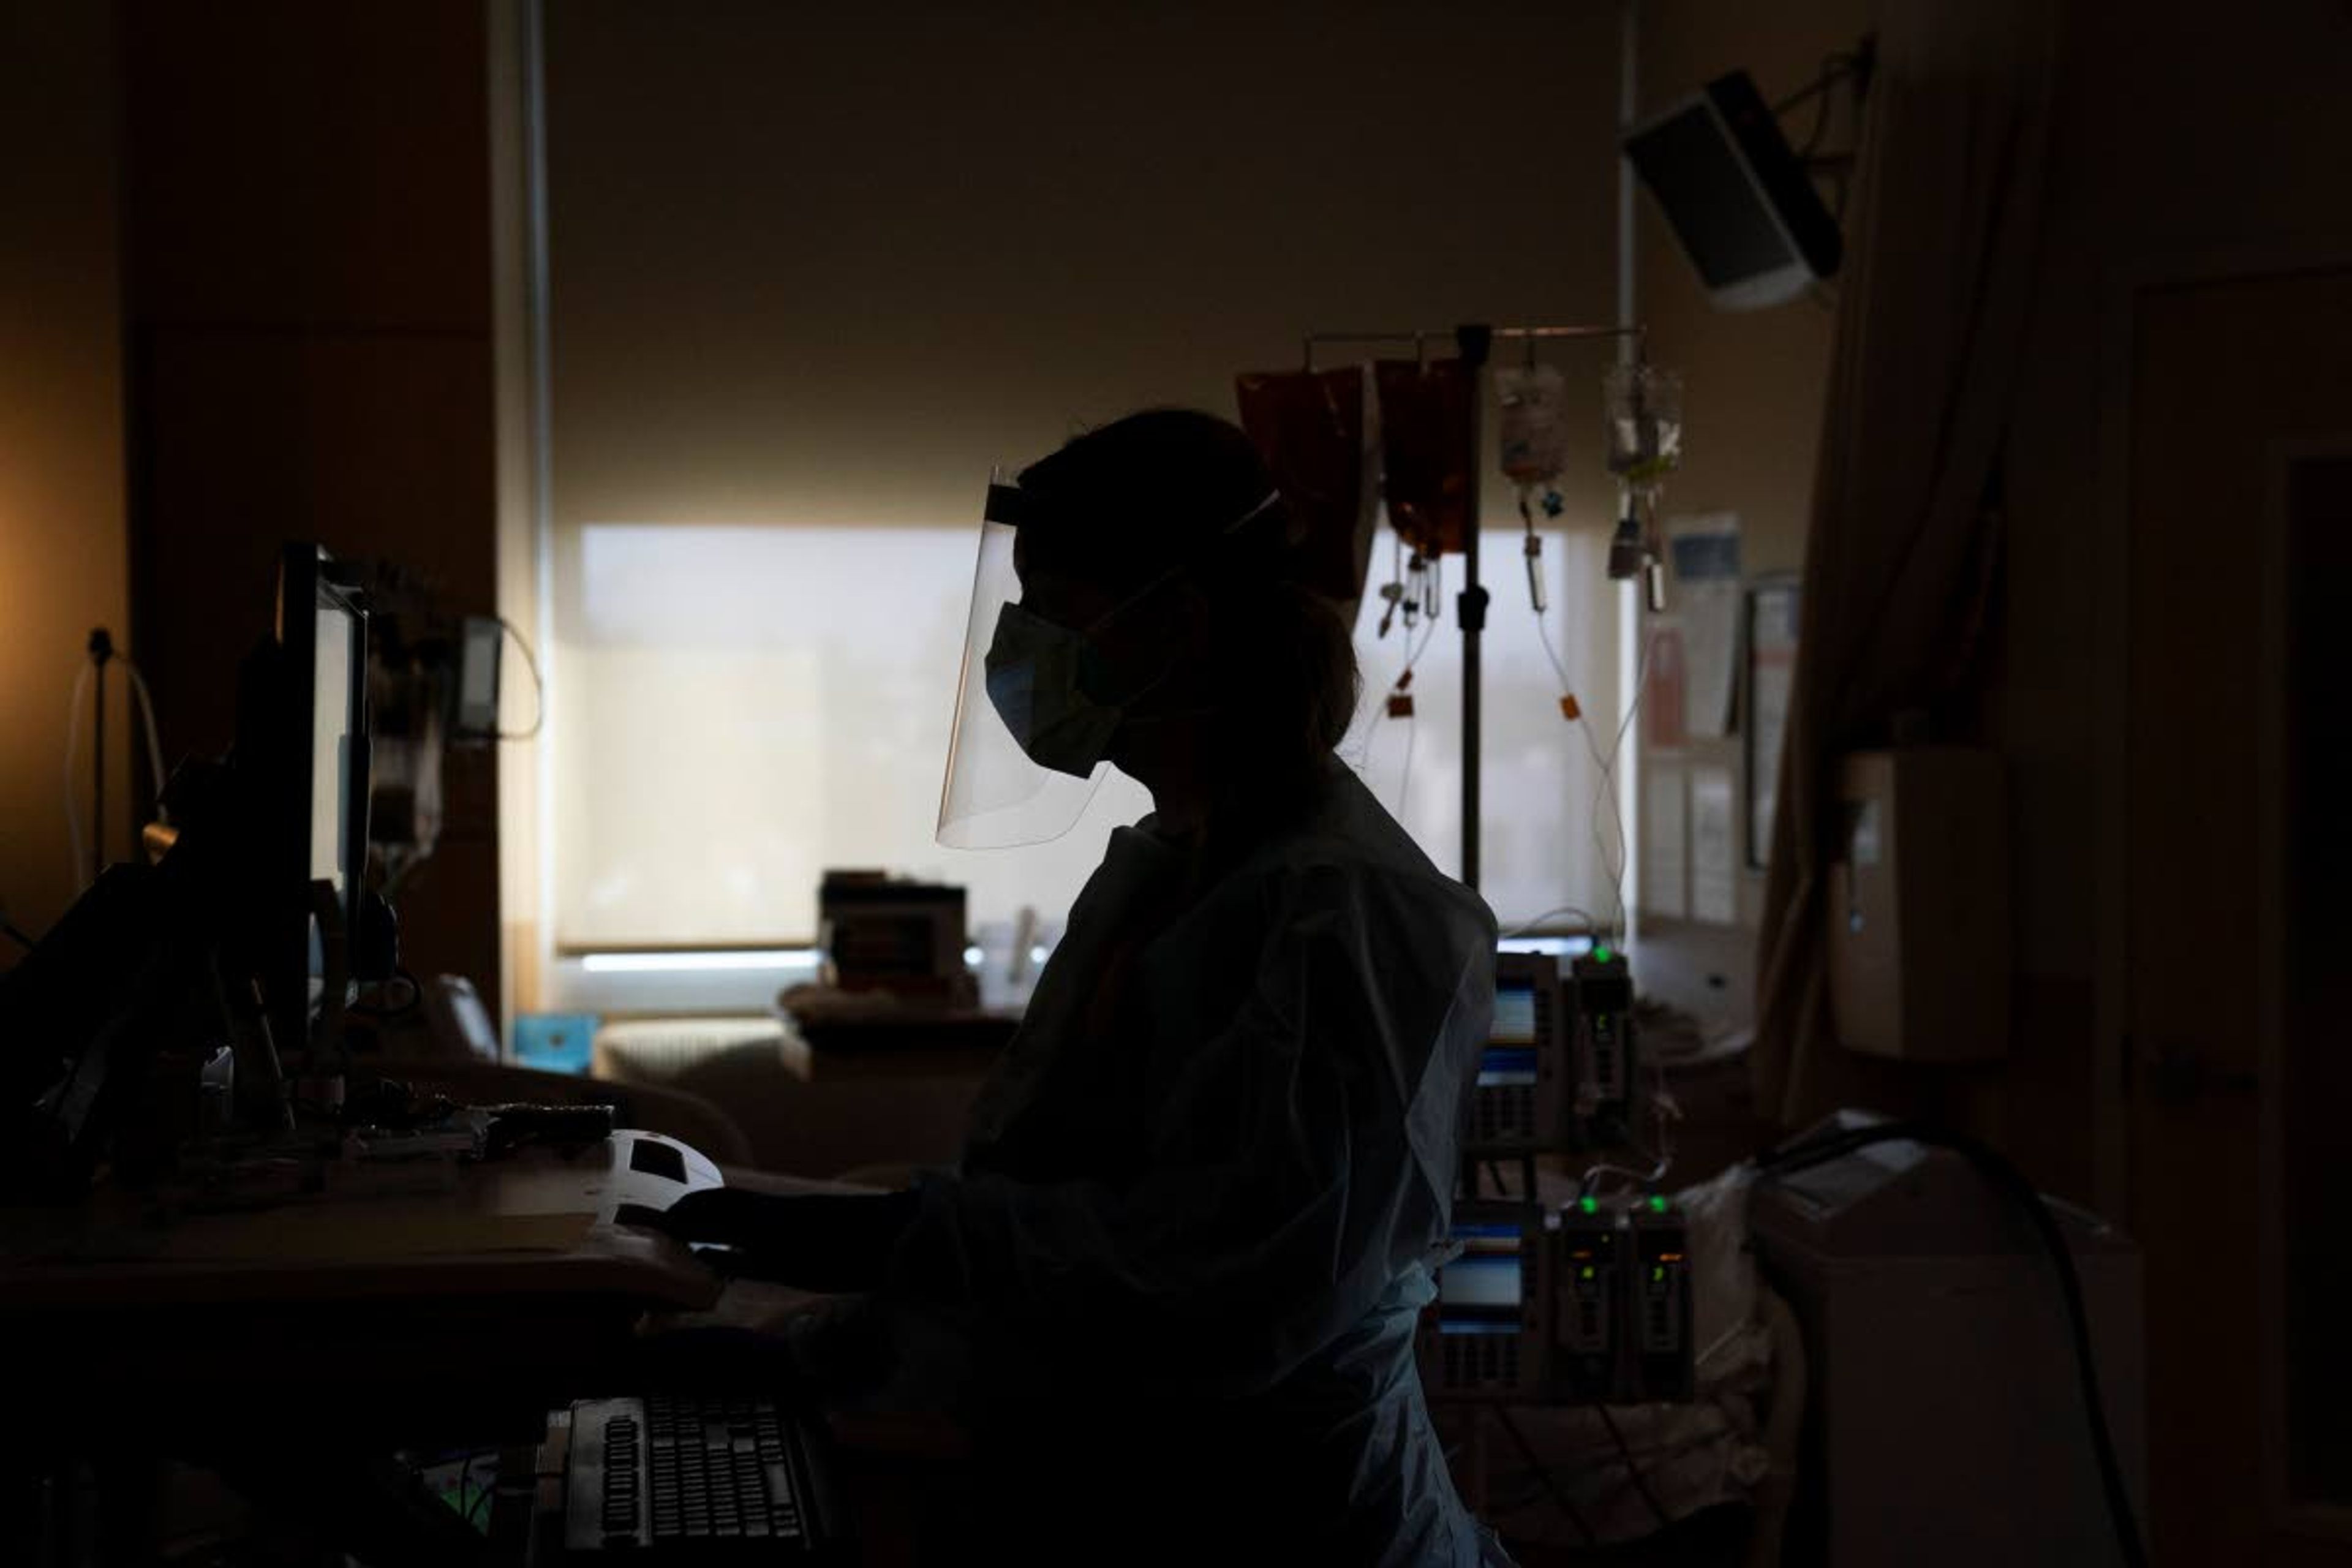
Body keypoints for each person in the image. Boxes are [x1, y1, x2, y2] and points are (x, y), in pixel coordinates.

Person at [658, 409, 1504, 1565]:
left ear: (1179, 627)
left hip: (1295, 1521)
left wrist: (898, 1243)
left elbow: (1217, 1286)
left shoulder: (1347, 915)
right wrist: (825, 1345)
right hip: (1138, 1496)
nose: (1024, 651)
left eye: (1056, 613)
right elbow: (1052, 1206)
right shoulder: (1172, 866)